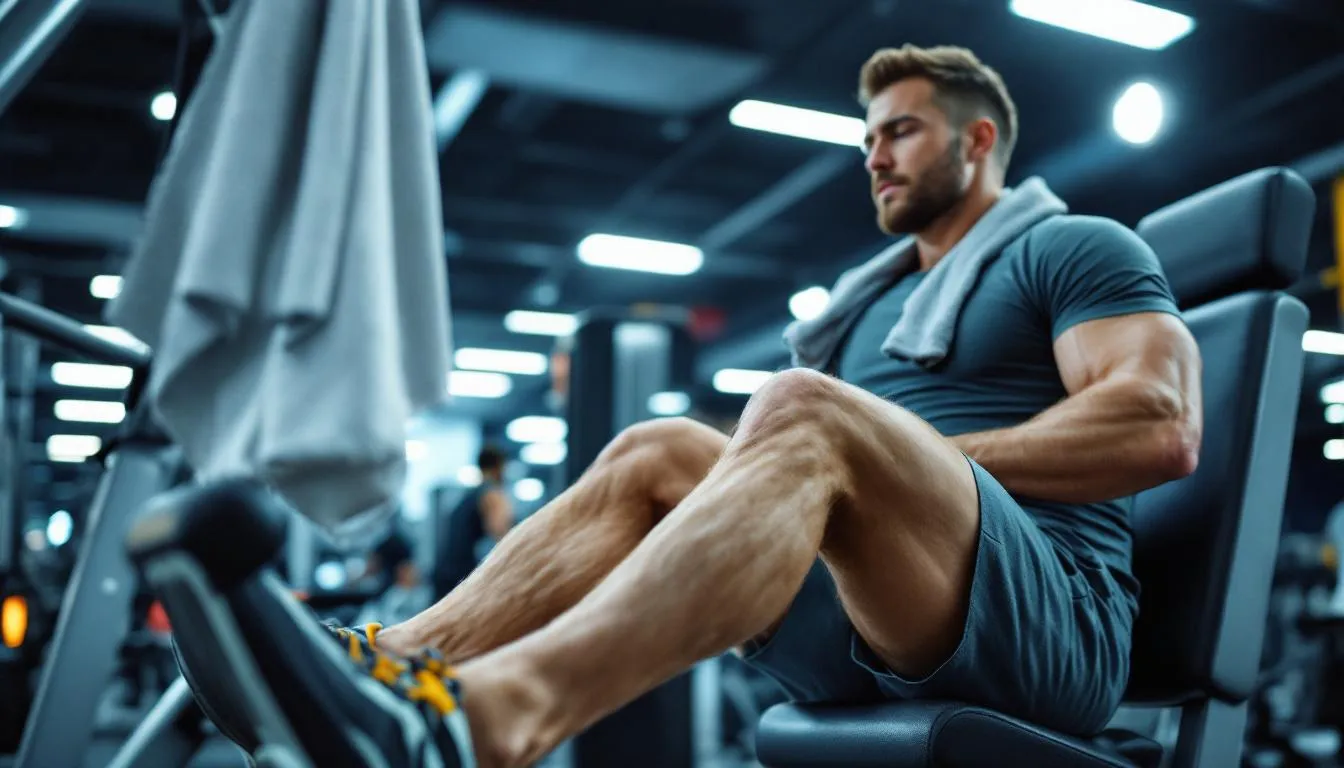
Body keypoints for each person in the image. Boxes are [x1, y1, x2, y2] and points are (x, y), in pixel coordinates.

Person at [244, 44, 1205, 768]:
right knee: (658, 449)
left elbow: (1157, 424)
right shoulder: (868, 306)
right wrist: (859, 469)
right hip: (880, 620)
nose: (875, 156)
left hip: (1047, 625)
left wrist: (912, 459)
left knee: (804, 412)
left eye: (901, 131)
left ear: (978, 139)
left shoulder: (1072, 247)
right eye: (867, 137)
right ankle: (386, 669)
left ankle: (501, 719)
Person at [434, 446, 514, 600]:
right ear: (500, 467)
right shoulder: (491, 493)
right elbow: (501, 533)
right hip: (462, 578)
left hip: (445, 574)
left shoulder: (466, 496)